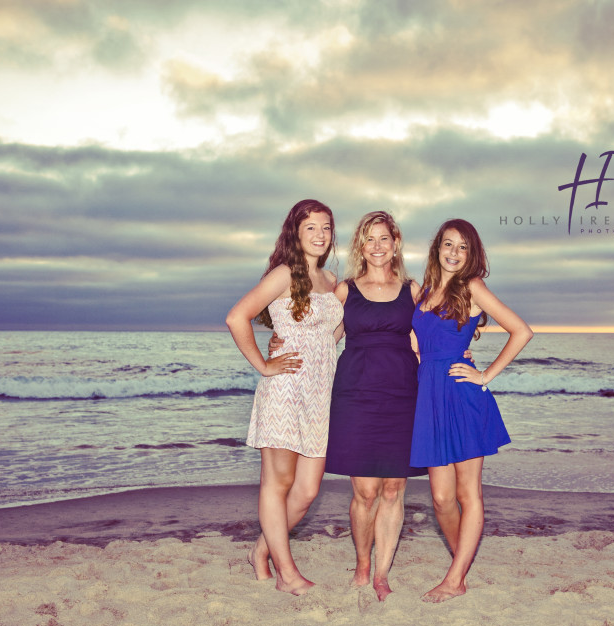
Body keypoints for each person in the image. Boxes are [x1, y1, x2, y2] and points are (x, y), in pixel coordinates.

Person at [410, 218, 533, 603]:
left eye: (463, 247)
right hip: (428, 398)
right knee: (441, 499)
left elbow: (522, 331)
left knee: (468, 493)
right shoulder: (423, 291)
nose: (454, 253)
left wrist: (485, 375)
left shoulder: (474, 288)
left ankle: (455, 577)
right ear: (437, 248)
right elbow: (416, 343)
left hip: (462, 396)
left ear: (472, 254)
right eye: (448, 244)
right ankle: (461, 564)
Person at [225, 199, 343, 595]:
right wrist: (263, 364)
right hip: (285, 389)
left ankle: (261, 551)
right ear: (295, 231)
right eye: (310, 227)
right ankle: (286, 574)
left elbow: (334, 333)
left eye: (325, 227)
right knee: (278, 483)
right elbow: (236, 317)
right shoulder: (283, 274)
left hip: (320, 394)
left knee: (307, 490)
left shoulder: (331, 281)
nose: (319, 235)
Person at [324, 211, 426, 601]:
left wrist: (459, 350)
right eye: (370, 239)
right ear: (360, 246)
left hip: (403, 395)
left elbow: (428, 336)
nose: (378, 246)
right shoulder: (345, 291)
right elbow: (325, 338)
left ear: (396, 243)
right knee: (365, 490)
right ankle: (362, 563)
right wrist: (285, 348)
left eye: (384, 238)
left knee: (394, 488)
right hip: (356, 395)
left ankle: (382, 573)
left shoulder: (412, 289)